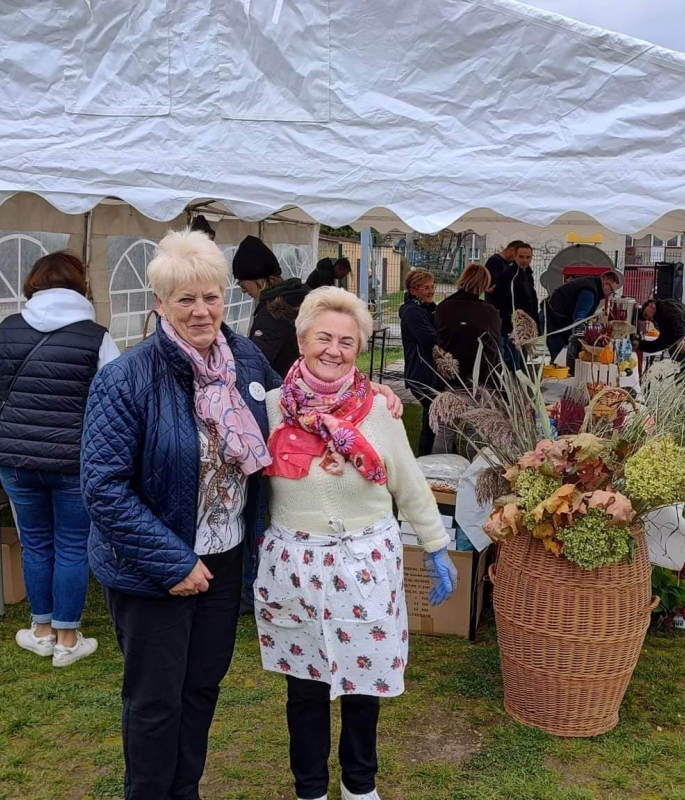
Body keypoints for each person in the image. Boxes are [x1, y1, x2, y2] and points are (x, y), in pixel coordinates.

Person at [81, 229, 281, 800]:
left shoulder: (245, 360)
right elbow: (103, 488)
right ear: (161, 305)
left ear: (226, 297)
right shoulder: (128, 378)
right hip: (154, 572)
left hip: (222, 559)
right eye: (185, 299)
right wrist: (172, 563)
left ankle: (184, 789)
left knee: (200, 689)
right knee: (155, 699)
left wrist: (372, 397)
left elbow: (295, 407)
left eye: (211, 296)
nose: (201, 311)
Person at [257, 287, 457, 800]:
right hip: (294, 566)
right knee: (305, 687)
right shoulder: (273, 408)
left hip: (363, 565)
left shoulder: (379, 411)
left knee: (362, 684)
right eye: (323, 337)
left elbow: (409, 485)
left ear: (360, 349)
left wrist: (436, 545)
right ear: (302, 340)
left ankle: (359, 785)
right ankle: (310, 789)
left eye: (347, 341)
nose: (334, 349)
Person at [0, 251, 118, 667]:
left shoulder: (6, 329)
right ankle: (67, 639)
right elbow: (114, 399)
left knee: (35, 544)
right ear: (80, 286)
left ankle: (41, 630)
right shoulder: (96, 335)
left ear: (32, 285)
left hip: (15, 458)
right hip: (74, 460)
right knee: (71, 546)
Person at [233, 235, 310, 379]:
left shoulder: (272, 311)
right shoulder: (298, 298)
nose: (243, 289)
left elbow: (258, 361)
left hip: (281, 390)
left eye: (242, 282)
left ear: (258, 278)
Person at [435, 263, 501, 386]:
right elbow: (494, 345)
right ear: (485, 284)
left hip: (447, 374)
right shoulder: (489, 311)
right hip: (479, 376)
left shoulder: (443, 307)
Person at [545, 271, 621, 372]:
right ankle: (555, 381)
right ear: (606, 284)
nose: (610, 294)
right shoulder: (590, 292)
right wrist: (580, 343)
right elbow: (579, 319)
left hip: (559, 318)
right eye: (611, 291)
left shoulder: (593, 286)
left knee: (563, 355)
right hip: (553, 319)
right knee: (559, 357)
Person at [398, 269, 437, 455]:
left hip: (428, 370)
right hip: (420, 372)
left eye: (432, 287)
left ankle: (431, 456)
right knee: (434, 415)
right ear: (413, 291)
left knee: (433, 416)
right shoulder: (411, 311)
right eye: (425, 288)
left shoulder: (426, 308)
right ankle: (427, 457)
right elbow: (429, 338)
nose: (430, 291)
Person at [493, 243, 540, 368]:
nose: (524, 260)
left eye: (528, 257)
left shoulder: (528, 274)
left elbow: (532, 298)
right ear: (514, 256)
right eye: (521, 257)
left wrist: (534, 319)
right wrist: (511, 316)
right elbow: (497, 299)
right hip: (511, 326)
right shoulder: (508, 275)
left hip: (525, 326)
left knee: (522, 359)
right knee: (511, 360)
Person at [636, 298, 685, 366]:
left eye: (646, 314)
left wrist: (680, 339)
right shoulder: (661, 319)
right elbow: (662, 343)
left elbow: (678, 318)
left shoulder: (666, 305)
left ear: (651, 305)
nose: (649, 319)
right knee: (683, 372)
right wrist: (640, 345)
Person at [484, 240, 524, 310]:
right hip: (496, 306)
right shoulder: (495, 261)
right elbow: (490, 286)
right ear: (512, 250)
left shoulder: (506, 263)